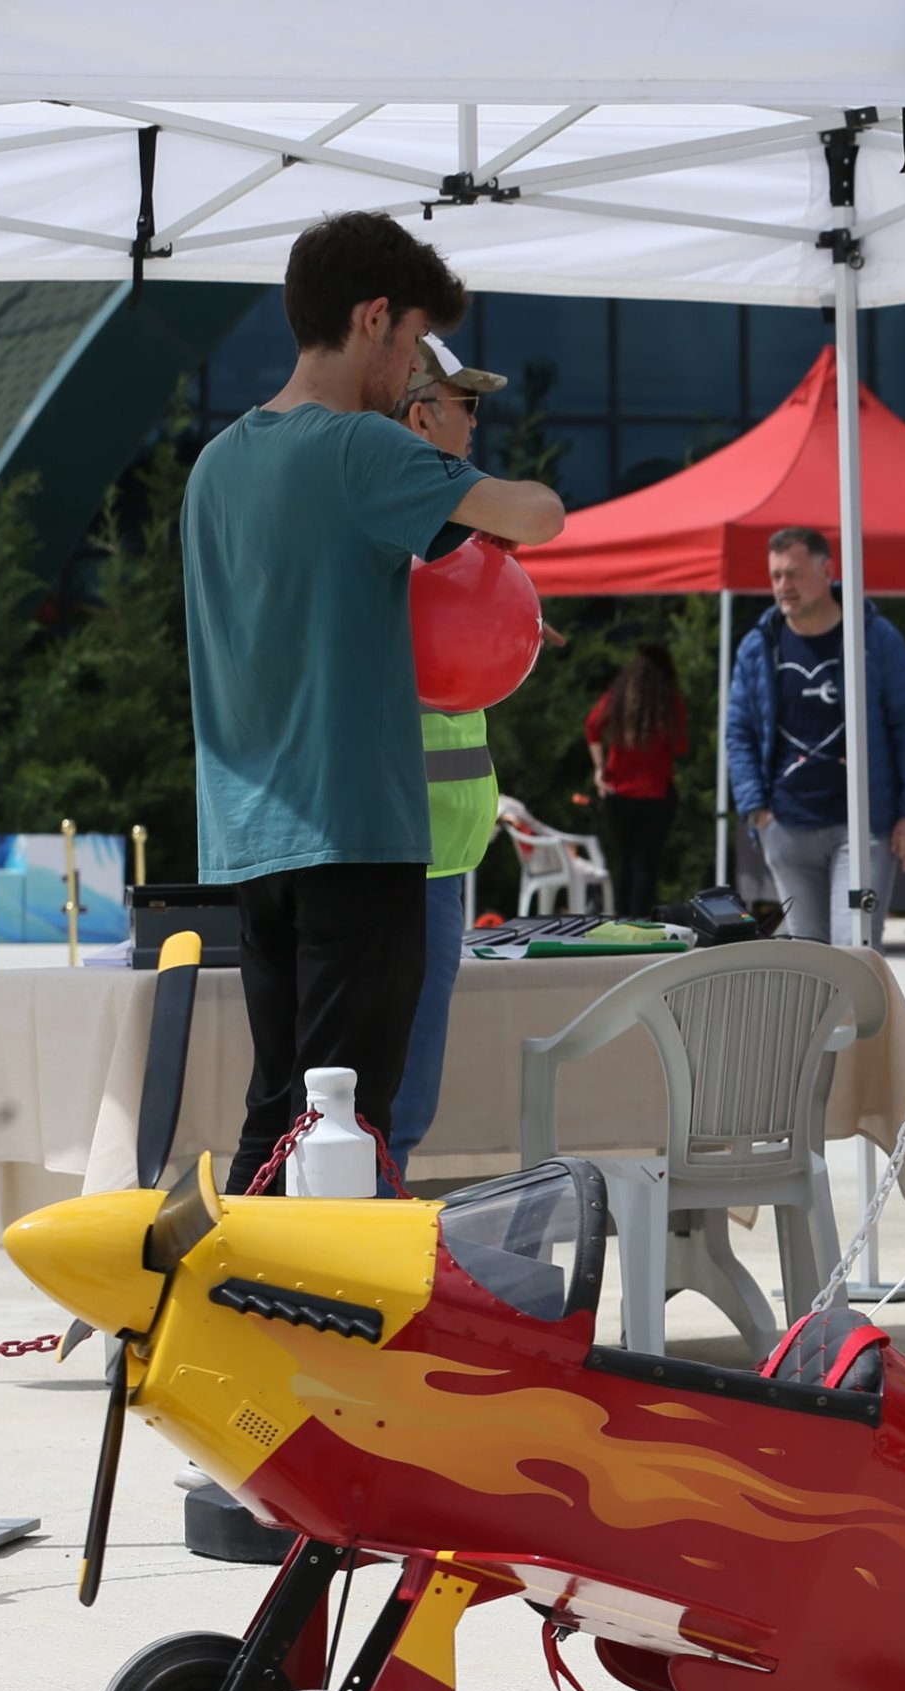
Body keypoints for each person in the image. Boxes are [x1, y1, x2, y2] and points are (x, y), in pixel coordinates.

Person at [183, 212, 564, 1194]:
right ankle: (329, 1337)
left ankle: (250, 1317)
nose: (410, 377)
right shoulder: (360, 448)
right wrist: (441, 462)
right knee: (354, 1132)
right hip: (358, 833)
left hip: (249, 839)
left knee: (280, 1113)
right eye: (411, 347)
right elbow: (536, 513)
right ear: (375, 318)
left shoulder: (214, 468)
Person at [382, 332, 517, 1185]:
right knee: (391, 1095)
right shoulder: (410, 520)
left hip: (438, 848)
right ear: (424, 413)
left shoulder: (445, 531)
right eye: (467, 406)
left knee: (402, 1092)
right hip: (400, 846)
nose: (476, 423)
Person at [723, 526, 905, 943]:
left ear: (827, 572)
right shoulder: (759, 646)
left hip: (861, 830)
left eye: (794, 574)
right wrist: (756, 810)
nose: (783, 586)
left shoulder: (874, 638)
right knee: (809, 964)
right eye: (776, 576)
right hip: (785, 829)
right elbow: (739, 732)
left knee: (854, 954)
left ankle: (860, 1014)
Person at [587, 642, 691, 920]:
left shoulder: (618, 697)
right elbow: (680, 746)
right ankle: (641, 921)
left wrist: (600, 769)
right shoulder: (670, 702)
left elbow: (592, 726)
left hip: (618, 793)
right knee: (647, 864)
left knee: (624, 861)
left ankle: (621, 921)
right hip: (657, 794)